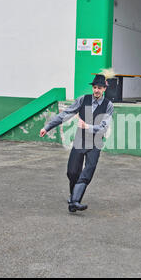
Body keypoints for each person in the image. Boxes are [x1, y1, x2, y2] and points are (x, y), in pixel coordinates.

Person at [39, 72, 114, 213]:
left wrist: (88, 127)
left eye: (100, 88)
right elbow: (66, 114)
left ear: (104, 89)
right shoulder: (83, 99)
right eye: (95, 87)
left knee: (87, 172)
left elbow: (104, 126)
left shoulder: (108, 105)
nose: (96, 90)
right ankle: (73, 197)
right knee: (72, 172)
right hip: (80, 141)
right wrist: (48, 127)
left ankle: (75, 201)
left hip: (96, 143)